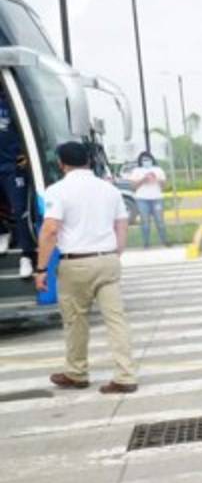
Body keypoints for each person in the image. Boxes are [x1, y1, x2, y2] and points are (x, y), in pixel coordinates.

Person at [32, 142, 137, 394]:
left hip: (76, 263)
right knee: (116, 320)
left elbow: (50, 230)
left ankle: (77, 373)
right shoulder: (109, 189)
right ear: (89, 161)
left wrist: (41, 268)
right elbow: (122, 225)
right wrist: (116, 253)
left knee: (75, 320)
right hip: (108, 260)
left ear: (61, 163)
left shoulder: (57, 190)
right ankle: (125, 375)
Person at [0, 90, 34, 278]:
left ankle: (26, 256)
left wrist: (25, 155)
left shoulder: (11, 101)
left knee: (20, 210)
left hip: (12, 166)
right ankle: (3, 233)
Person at [130, 152, 170, 248]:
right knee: (145, 222)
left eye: (148, 159)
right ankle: (146, 243)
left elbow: (164, 186)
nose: (146, 162)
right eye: (144, 160)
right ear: (140, 161)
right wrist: (143, 179)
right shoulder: (136, 171)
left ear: (152, 160)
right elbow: (133, 186)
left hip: (157, 198)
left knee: (160, 221)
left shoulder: (158, 170)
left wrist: (157, 179)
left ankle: (165, 241)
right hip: (142, 199)